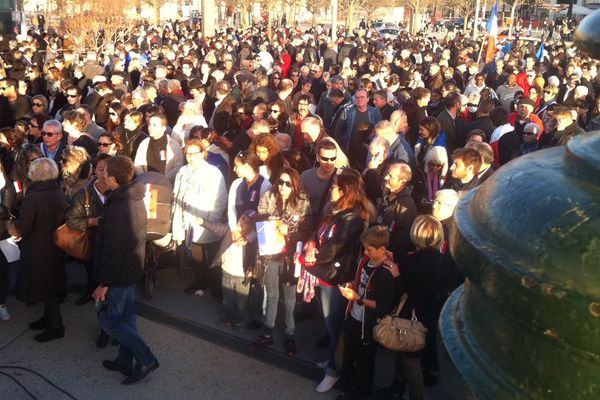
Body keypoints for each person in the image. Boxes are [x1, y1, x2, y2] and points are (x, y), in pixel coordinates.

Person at [299, 169, 372, 393]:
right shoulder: (337, 209)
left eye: (334, 186)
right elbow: (318, 230)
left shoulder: (353, 218)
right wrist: (311, 243)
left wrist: (314, 256)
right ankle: (334, 359)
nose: (331, 189)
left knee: (335, 325)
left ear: (344, 191)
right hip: (325, 274)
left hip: (336, 278)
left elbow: (335, 248)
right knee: (329, 322)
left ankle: (333, 370)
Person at [92, 155, 159, 385]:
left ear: (113, 178)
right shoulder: (132, 194)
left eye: (106, 172)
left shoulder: (120, 205)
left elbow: (113, 249)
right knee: (127, 318)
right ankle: (124, 359)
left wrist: (103, 283)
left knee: (111, 321)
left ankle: (146, 357)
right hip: (131, 268)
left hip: (119, 274)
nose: (102, 175)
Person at [250, 167, 311, 356]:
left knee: (290, 299)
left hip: (291, 257)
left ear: (294, 185)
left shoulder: (303, 201)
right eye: (280, 182)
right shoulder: (269, 195)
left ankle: (290, 333)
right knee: (272, 294)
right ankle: (268, 331)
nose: (283, 186)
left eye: (287, 183)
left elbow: (308, 229)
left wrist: (290, 230)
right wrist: (272, 221)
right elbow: (258, 218)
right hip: (270, 254)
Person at [337, 226, 397, 400]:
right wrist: (352, 285)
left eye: (369, 249)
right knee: (348, 357)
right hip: (353, 318)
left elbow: (384, 305)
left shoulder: (386, 273)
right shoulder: (366, 260)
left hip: (367, 325)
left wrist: (358, 299)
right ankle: (349, 389)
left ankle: (362, 393)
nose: (365, 251)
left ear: (382, 249)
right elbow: (360, 282)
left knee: (365, 364)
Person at [10, 158, 67, 342]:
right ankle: (47, 318)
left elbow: (23, 227)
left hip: (38, 248)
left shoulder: (33, 197)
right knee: (50, 283)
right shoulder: (58, 192)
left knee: (47, 287)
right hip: (54, 246)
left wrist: (9, 226)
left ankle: (56, 326)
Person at [396, 215, 444, 400]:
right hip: (428, 315)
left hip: (413, 317)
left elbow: (409, 291)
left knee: (411, 361)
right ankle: (400, 386)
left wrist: (395, 274)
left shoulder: (418, 261)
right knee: (407, 358)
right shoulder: (438, 258)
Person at [172, 139, 227, 297]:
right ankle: (199, 283)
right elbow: (177, 195)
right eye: (188, 154)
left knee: (211, 256)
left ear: (203, 153)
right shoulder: (183, 171)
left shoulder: (213, 173)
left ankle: (216, 288)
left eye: (195, 153)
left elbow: (220, 199)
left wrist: (212, 220)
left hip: (207, 220)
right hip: (189, 219)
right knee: (196, 255)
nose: (191, 157)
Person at [0, 159, 16, 321]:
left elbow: (6, 210)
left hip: (1, 235)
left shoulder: (6, 185)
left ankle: (1, 303)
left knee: (1, 271)